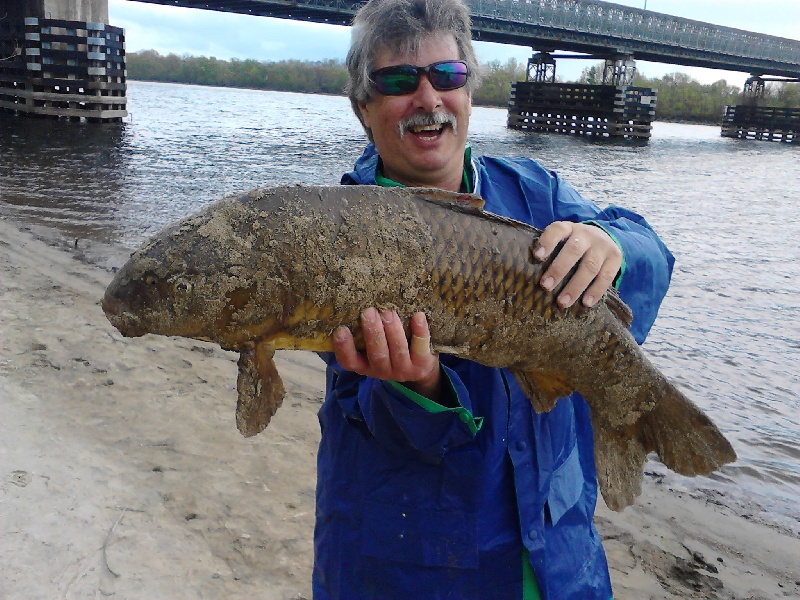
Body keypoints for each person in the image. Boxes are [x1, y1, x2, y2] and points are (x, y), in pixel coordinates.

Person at [314, 0, 674, 597]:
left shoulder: (534, 193)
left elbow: (651, 254)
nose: (428, 100)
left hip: (557, 555)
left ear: (469, 95)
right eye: (399, 81)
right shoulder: (336, 235)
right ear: (363, 109)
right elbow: (360, 402)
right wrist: (416, 390)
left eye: (447, 77)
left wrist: (611, 247)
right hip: (408, 562)